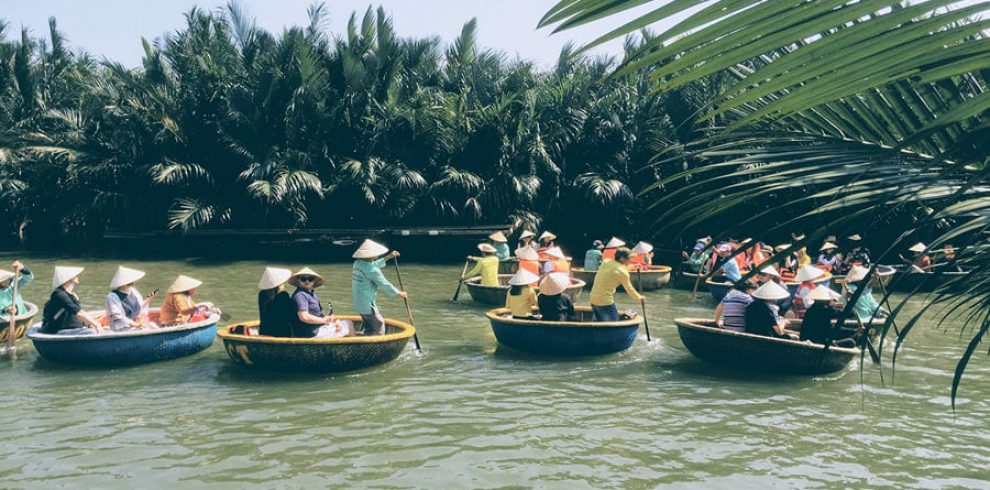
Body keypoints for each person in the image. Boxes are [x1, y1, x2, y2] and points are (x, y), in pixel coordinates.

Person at [352, 239, 408, 336]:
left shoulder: (357, 264)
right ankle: (374, 347)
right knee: (379, 325)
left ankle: (366, 339)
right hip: (367, 304)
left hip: (358, 303)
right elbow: (384, 283)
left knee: (370, 326)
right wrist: (399, 293)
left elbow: (372, 265)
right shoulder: (373, 271)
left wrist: (388, 257)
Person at [40, 266, 102, 335]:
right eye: (75, 276)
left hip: (74, 329)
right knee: (92, 332)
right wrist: (96, 325)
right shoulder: (59, 294)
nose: (77, 277)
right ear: (69, 279)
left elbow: (80, 313)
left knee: (93, 328)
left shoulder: (72, 295)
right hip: (61, 330)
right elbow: (78, 313)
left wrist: (88, 323)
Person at [290, 267, 348, 338]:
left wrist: (333, 321)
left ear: (314, 281)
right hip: (310, 333)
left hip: (316, 328)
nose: (307, 281)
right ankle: (353, 348)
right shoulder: (300, 295)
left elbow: (321, 315)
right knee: (349, 324)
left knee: (343, 324)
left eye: (310, 279)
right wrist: (323, 320)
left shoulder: (312, 294)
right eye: (303, 279)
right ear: (298, 280)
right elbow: (304, 317)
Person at [590, 248, 644, 321]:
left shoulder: (606, 262)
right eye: (629, 258)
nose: (630, 260)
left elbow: (615, 269)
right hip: (605, 302)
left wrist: (633, 267)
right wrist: (639, 298)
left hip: (593, 299)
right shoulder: (623, 273)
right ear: (622, 258)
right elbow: (630, 289)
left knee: (600, 323)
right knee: (615, 325)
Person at [106, 266, 158, 331]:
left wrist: (148, 299)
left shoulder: (133, 291)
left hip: (135, 324)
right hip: (121, 328)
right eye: (128, 282)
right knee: (144, 330)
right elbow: (117, 316)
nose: (131, 283)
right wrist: (135, 324)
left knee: (153, 326)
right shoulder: (112, 297)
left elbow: (138, 308)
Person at [257, 267, 296, 337]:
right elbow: (289, 316)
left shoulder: (262, 294)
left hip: (264, 332)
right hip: (281, 334)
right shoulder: (283, 296)